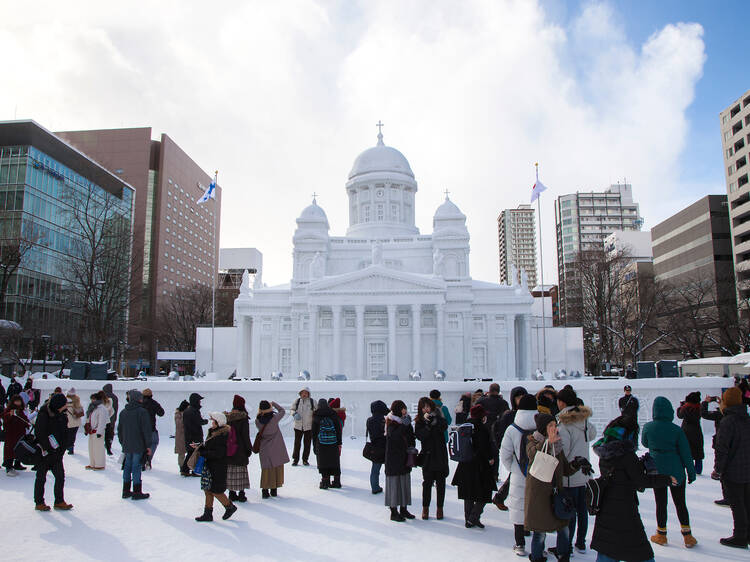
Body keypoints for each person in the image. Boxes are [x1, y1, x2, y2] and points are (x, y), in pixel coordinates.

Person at [590, 415, 676, 562]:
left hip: (607, 508)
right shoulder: (627, 456)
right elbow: (640, 481)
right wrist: (666, 479)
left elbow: (621, 476)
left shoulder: (604, 453)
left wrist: (638, 467)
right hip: (625, 509)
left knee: (608, 548)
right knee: (640, 551)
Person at [641, 396, 697, 548]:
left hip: (657, 471)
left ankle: (661, 534)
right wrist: (691, 473)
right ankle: (687, 536)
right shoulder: (676, 430)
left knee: (661, 503)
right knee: (680, 503)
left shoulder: (648, 427)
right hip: (676, 471)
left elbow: (644, 443)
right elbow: (686, 453)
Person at [524, 413, 577, 562]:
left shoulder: (558, 445)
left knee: (564, 526)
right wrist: (547, 442)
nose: (554, 428)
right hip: (539, 496)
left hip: (556, 493)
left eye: (555, 425)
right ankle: (537, 557)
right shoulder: (533, 442)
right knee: (540, 531)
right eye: (550, 426)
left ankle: (563, 554)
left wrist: (577, 464)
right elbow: (532, 455)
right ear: (543, 428)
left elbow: (565, 469)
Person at [556, 387, 597, 555]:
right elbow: (592, 434)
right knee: (582, 510)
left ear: (562, 402)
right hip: (584, 471)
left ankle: (566, 546)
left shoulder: (565, 422)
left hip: (570, 473)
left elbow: (562, 449)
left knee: (569, 511)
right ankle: (581, 542)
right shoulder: (584, 420)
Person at [500, 392, 537, 556]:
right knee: (539, 508)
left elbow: (505, 454)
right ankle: (538, 547)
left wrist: (515, 469)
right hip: (540, 474)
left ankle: (520, 544)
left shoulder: (513, 428)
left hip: (519, 474)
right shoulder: (541, 427)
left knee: (518, 509)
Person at [715, 387, 750, 548]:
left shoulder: (728, 421)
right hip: (747, 468)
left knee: (737, 505)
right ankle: (746, 534)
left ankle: (740, 536)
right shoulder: (746, 418)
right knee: (747, 503)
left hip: (733, 471)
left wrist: (718, 469)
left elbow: (722, 449)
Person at [452, 403, 495, 528]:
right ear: (482, 416)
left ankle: (469, 518)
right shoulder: (481, 428)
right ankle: (474, 517)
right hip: (480, 465)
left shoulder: (465, 426)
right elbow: (484, 447)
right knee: (484, 492)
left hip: (465, 463)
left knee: (468, 493)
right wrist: (490, 458)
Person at [194, 412, 238, 522]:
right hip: (211, 466)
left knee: (215, 490)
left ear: (219, 422)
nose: (211, 422)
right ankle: (207, 513)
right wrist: (200, 446)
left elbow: (218, 453)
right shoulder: (214, 432)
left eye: (213, 420)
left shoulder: (222, 435)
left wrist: (202, 451)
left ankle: (229, 507)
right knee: (208, 489)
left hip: (218, 467)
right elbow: (211, 448)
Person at [33, 392, 72, 511]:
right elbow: (40, 433)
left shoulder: (62, 415)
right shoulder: (44, 414)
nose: (66, 406)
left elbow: (64, 433)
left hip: (57, 452)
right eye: (64, 404)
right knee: (41, 477)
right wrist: (48, 449)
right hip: (45, 452)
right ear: (58, 405)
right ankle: (39, 502)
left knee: (60, 476)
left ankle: (59, 501)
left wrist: (61, 449)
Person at [492, 386, 529, 512]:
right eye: (518, 397)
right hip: (515, 451)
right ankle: (501, 497)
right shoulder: (509, 415)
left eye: (523, 397)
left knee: (516, 476)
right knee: (516, 475)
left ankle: (500, 497)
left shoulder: (529, 413)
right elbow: (503, 433)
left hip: (526, 450)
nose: (521, 400)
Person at [414, 397, 449, 520]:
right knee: (427, 483)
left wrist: (435, 421)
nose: (426, 409)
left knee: (441, 484)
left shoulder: (439, 417)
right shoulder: (419, 421)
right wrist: (428, 426)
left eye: (427, 406)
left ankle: (440, 508)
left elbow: (444, 426)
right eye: (423, 407)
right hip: (428, 456)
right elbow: (419, 436)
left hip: (439, 455)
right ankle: (425, 508)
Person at [117, 389, 152, 500]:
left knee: (127, 466)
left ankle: (126, 490)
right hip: (139, 444)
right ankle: (137, 491)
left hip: (127, 444)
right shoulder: (142, 412)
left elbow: (120, 430)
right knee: (136, 466)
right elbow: (146, 430)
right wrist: (148, 445)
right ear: (138, 399)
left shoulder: (123, 412)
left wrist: (123, 442)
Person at [385, 399, 415, 522]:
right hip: (394, 459)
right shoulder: (391, 421)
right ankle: (393, 511)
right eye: (403, 408)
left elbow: (410, 435)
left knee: (404, 483)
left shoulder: (404, 421)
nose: (405, 410)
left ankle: (404, 508)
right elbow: (395, 436)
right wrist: (404, 424)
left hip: (404, 457)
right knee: (394, 484)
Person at [255, 400, 289, 498]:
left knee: (266, 470)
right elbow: (282, 411)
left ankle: (265, 491)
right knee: (276, 468)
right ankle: (274, 489)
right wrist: (274, 403)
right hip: (276, 446)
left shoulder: (258, 421)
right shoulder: (274, 418)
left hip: (265, 447)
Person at [478, 383, 509, 481]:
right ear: (498, 391)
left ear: (489, 390)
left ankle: (483, 473)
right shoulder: (503, 403)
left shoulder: (481, 401)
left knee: (483, 452)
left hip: (483, 430)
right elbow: (507, 417)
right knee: (495, 453)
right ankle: (494, 474)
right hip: (497, 431)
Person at [702, 392, 729, 506]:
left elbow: (704, 414)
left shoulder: (720, 414)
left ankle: (728, 498)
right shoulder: (741, 414)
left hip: (722, 446)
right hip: (737, 448)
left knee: (725, 473)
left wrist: (705, 402)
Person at [226, 395, 253, 503]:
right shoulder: (243, 417)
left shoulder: (228, 417)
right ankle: (241, 494)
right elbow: (245, 435)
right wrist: (248, 448)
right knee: (241, 471)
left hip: (230, 448)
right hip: (240, 448)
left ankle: (232, 493)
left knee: (231, 471)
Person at [312, 398, 343, 489]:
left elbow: (313, 433)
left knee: (323, 462)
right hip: (333, 443)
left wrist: (314, 445)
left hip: (321, 443)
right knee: (335, 461)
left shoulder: (316, 415)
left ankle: (325, 481)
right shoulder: (333, 414)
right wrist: (339, 442)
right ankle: (337, 481)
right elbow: (338, 429)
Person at [676, 391, 704, 475]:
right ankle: (698, 470)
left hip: (686, 430)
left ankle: (684, 468)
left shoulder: (686, 407)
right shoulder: (699, 407)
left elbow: (679, 415)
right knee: (698, 451)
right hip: (696, 430)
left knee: (685, 450)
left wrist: (681, 406)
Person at [182, 393, 208, 476]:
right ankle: (191, 470)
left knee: (191, 453)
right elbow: (199, 422)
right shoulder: (194, 411)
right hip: (195, 436)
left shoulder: (187, 410)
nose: (200, 402)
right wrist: (205, 421)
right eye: (199, 400)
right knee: (195, 453)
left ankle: (186, 469)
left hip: (189, 436)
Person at [366, 400, 389, 494]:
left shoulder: (369, 420)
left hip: (375, 447)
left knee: (375, 469)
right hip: (386, 447)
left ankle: (375, 488)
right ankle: (391, 487)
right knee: (389, 469)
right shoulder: (385, 420)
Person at [3, 394, 29, 475]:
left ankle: (17, 464)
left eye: (19, 401)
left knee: (19, 449)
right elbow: (4, 418)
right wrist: (10, 415)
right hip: (11, 434)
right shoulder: (9, 410)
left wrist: (27, 424)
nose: (18, 403)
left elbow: (25, 419)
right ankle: (9, 467)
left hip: (19, 433)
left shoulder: (20, 411)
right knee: (10, 450)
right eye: (16, 401)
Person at [85, 391, 110, 470]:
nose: (92, 401)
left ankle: (100, 464)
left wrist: (99, 432)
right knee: (91, 448)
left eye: (93, 399)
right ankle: (92, 463)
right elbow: (89, 418)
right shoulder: (93, 408)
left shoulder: (102, 409)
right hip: (91, 431)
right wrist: (87, 428)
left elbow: (102, 422)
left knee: (98, 449)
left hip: (98, 431)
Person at [141, 388, 165, 469]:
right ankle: (148, 459)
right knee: (154, 443)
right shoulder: (154, 403)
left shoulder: (140, 403)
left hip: (141, 429)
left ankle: (142, 460)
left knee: (142, 444)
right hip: (151, 428)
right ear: (151, 395)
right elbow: (161, 413)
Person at [290, 387, 314, 466]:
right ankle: (295, 459)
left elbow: (316, 411)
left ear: (308, 394)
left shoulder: (312, 402)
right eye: (302, 393)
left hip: (308, 426)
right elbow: (292, 409)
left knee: (307, 444)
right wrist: (294, 413)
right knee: (297, 444)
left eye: (306, 393)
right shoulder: (297, 401)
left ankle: (305, 460)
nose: (304, 394)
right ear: (300, 393)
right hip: (298, 426)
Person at [64, 388, 84, 455]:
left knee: (67, 436)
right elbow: (80, 410)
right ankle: (71, 448)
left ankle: (68, 447)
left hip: (68, 421)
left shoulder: (65, 401)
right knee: (73, 436)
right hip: (76, 421)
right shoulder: (77, 400)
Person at [102, 383, 119, 456]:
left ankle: (103, 443)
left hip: (104, 417)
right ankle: (109, 443)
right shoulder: (115, 397)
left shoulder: (103, 397)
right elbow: (116, 408)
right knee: (110, 431)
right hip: (112, 417)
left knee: (103, 431)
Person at [174, 400, 189, 470]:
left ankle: (185, 466)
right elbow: (179, 424)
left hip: (185, 436)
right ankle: (181, 466)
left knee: (185, 452)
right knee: (181, 453)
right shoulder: (178, 414)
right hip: (180, 437)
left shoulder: (180, 414)